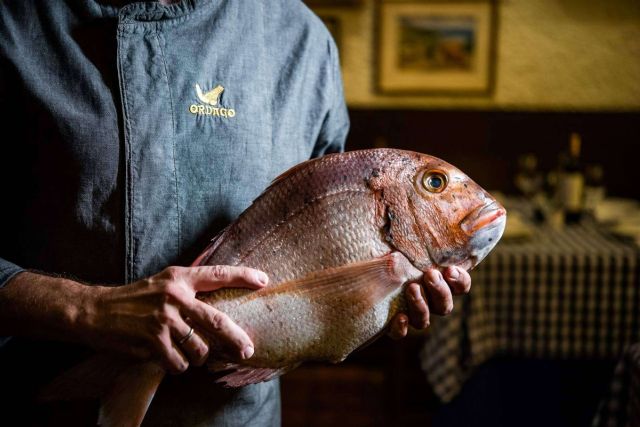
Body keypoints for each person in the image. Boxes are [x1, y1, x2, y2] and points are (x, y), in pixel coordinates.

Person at [0, 0, 472, 425]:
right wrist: (88, 310)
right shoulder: (14, 23)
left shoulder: (303, 42)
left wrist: (380, 305)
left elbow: (323, 272)